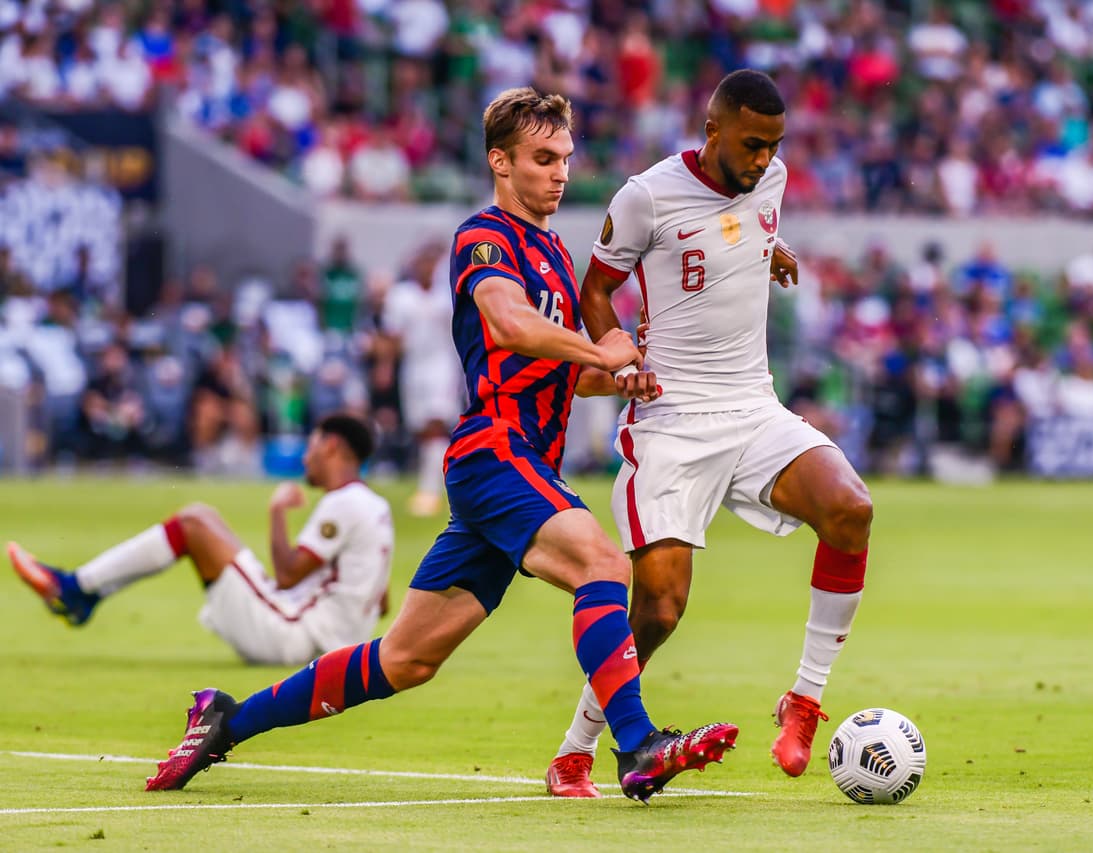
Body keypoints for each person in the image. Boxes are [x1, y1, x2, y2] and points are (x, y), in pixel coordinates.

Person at [140, 88, 736, 801]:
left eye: (566, 159)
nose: (560, 174)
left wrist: (622, 378)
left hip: (520, 467)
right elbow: (510, 324)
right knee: (601, 563)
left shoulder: (550, 250)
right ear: (500, 162)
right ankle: (637, 745)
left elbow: (564, 376)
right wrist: (600, 349)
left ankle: (226, 720)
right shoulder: (483, 237)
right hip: (494, 451)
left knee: (404, 659)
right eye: (543, 158)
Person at [544, 70, 874, 798]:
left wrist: (772, 248)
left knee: (850, 507)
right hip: (671, 418)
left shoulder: (772, 179)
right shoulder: (647, 195)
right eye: (752, 145)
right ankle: (576, 749)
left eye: (774, 147)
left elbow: (748, 223)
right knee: (659, 608)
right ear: (712, 129)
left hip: (753, 406)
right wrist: (617, 353)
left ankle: (806, 701)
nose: (763, 161)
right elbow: (595, 287)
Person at [9, 413, 392, 665]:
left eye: (311, 446)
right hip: (326, 643)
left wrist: (276, 513)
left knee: (193, 522)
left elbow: (288, 574)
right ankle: (81, 591)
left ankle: (76, 590)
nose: (306, 458)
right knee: (201, 518)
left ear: (332, 447)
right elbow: (383, 599)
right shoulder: (377, 507)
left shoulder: (343, 503)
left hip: (295, 639)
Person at [382, 242, 464, 517]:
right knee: (420, 430)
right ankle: (439, 482)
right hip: (413, 368)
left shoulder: (447, 295)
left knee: (436, 424)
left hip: (442, 366)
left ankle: (430, 491)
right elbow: (394, 335)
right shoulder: (401, 296)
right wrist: (385, 365)